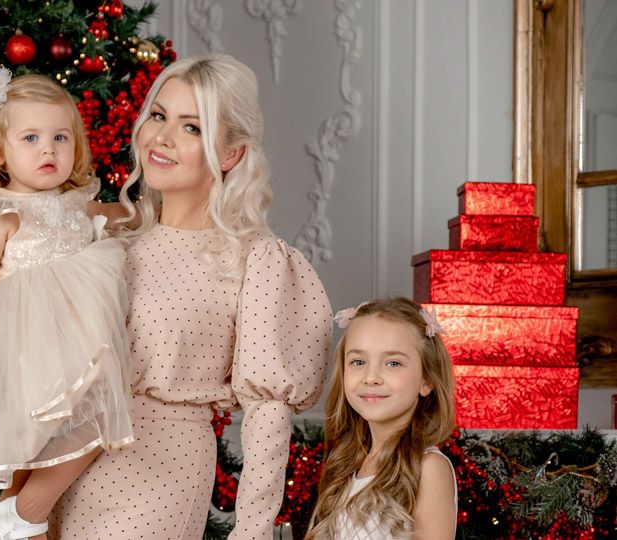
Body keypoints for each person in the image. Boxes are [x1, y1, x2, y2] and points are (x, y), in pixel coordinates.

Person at [49, 53, 333, 539]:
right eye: (158, 116)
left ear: (231, 154)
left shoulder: (254, 259)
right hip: (65, 470)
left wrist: (251, 533)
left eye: (192, 127)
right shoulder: (109, 237)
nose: (162, 137)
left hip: (160, 474)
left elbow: (268, 414)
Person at [0, 65, 134, 540]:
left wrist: (156, 211)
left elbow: (124, 216)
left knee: (99, 417)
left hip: (79, 346)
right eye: (31, 138)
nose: (48, 149)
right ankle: (23, 519)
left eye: (60, 138)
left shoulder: (79, 202)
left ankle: (24, 513)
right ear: (0, 151)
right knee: (25, 450)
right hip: (25, 353)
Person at [304, 297, 457, 540]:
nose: (371, 377)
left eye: (393, 363)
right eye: (358, 362)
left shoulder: (428, 468)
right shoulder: (348, 464)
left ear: (426, 380)